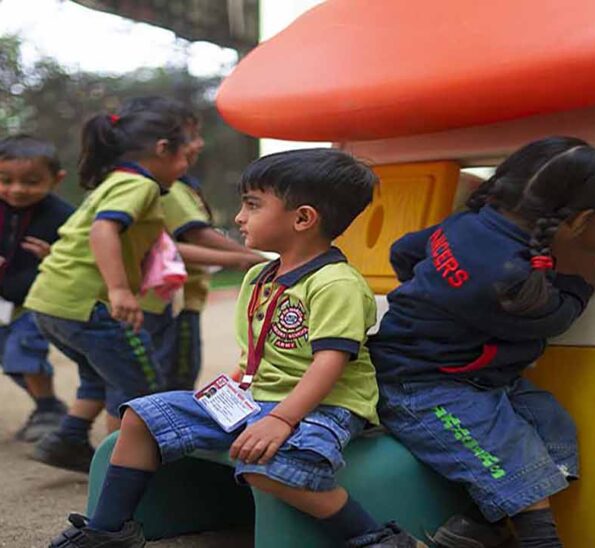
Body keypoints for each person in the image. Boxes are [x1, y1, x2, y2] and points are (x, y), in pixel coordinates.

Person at [48, 149, 425, 548]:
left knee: (267, 466)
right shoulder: (259, 277)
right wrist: (228, 388)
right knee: (141, 417)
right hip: (257, 399)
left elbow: (328, 364)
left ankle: (372, 536)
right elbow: (256, 356)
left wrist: (280, 419)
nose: (240, 217)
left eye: (253, 205)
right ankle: (107, 530)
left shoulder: (336, 284)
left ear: (302, 218)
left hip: (324, 405)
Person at [369, 137, 595, 548]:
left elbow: (404, 251)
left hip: (480, 379)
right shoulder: (508, 275)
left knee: (553, 429)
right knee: (517, 464)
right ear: (579, 220)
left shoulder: (465, 224)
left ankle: (474, 529)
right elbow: (556, 317)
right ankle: (539, 539)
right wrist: (576, 287)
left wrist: (437, 289)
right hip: (420, 387)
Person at [25, 105, 191, 473]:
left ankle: (68, 440)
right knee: (140, 386)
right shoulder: (139, 184)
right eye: (185, 155)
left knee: (101, 375)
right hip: (91, 303)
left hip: (52, 301)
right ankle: (123, 471)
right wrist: (119, 290)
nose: (186, 166)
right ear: (163, 149)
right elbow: (104, 230)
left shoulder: (116, 180)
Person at [121, 96, 262, 391]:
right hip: (171, 299)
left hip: (165, 299)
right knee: (174, 378)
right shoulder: (165, 188)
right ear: (161, 146)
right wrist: (252, 259)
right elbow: (193, 236)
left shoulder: (150, 184)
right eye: (190, 136)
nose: (199, 144)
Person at [0, 135, 74, 442]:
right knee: (10, 361)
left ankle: (46, 409)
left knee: (24, 350)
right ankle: (49, 406)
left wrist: (53, 256)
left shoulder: (63, 216)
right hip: (4, 302)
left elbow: (80, 255)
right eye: (5, 180)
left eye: (30, 182)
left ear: (57, 179)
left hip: (39, 300)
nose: (17, 189)